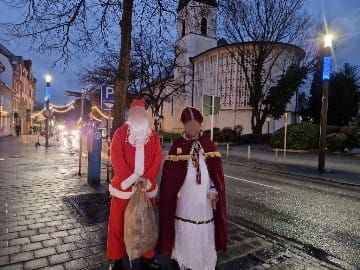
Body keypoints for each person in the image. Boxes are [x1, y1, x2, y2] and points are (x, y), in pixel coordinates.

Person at [157, 107, 227, 270]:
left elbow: (215, 174)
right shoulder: (177, 146)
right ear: (184, 126)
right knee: (186, 230)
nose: (192, 127)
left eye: (195, 124)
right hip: (185, 200)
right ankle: (186, 262)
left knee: (203, 230)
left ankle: (203, 264)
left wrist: (214, 189)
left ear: (200, 125)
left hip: (204, 200)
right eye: (189, 124)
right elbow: (169, 178)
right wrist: (174, 192)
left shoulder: (209, 145)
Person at [107, 98, 162, 270]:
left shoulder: (153, 135)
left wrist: (145, 180)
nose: (139, 115)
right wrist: (131, 179)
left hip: (146, 188)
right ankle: (116, 259)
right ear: (131, 115)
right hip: (124, 188)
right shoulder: (121, 133)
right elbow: (116, 158)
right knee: (117, 225)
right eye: (135, 113)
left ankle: (147, 256)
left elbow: (157, 158)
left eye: (141, 113)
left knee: (146, 223)